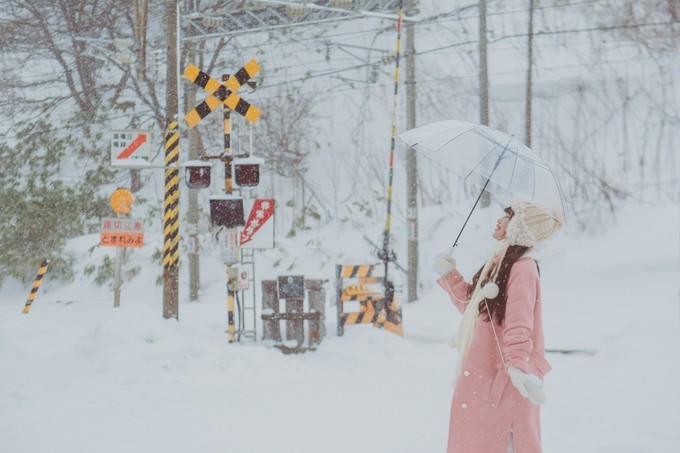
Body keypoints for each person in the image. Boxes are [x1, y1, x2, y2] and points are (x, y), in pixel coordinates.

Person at [434, 199, 564, 453]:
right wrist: (450, 274)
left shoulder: (522, 268)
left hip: (503, 379)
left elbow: (519, 325)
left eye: (509, 216)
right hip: (486, 371)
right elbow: (474, 309)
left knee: (497, 443)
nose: (500, 219)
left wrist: (517, 367)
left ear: (520, 227)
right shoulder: (500, 262)